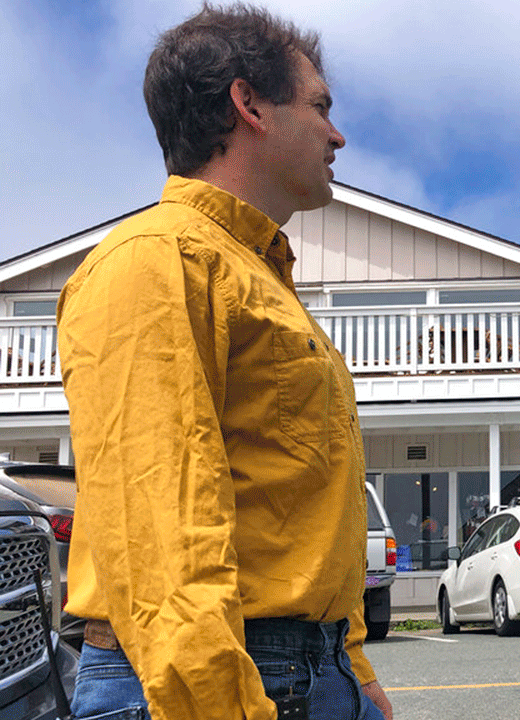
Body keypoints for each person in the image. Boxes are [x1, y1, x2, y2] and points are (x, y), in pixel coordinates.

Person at [56, 5, 392, 720]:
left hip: (305, 669)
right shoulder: (156, 261)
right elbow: (160, 536)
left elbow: (297, 510)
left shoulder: (252, 274)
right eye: (320, 106)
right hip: (219, 682)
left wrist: (352, 667)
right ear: (249, 105)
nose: (338, 134)